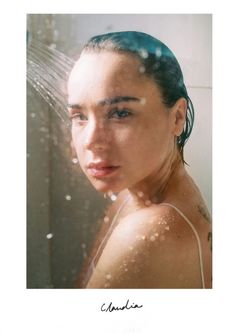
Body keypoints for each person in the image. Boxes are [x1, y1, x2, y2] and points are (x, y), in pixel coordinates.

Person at [67, 31, 212, 288]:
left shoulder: (148, 232)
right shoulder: (134, 189)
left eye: (120, 113)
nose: (90, 140)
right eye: (79, 116)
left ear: (177, 117)